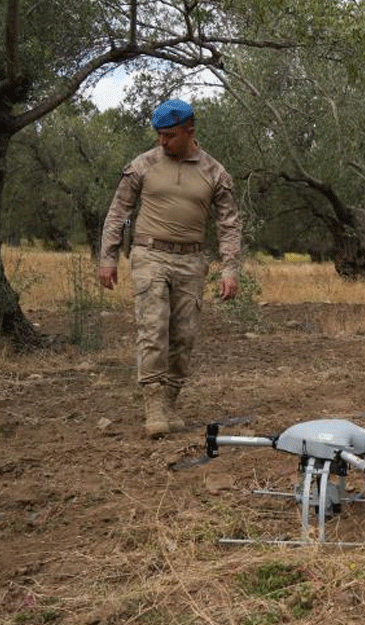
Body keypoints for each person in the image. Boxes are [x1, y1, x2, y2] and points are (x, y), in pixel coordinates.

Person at [98, 98, 243, 438]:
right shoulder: (143, 165)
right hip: (149, 256)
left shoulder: (215, 173)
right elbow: (118, 211)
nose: (162, 142)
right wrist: (108, 257)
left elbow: (229, 224)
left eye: (170, 136)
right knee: (153, 329)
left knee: (184, 336)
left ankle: (170, 402)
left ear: (190, 131)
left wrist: (230, 268)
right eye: (159, 135)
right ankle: (153, 407)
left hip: (192, 261)